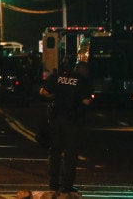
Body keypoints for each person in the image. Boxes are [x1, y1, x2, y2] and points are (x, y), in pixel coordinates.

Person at [39, 62, 92, 195]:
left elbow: (43, 91)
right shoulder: (81, 81)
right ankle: (66, 185)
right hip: (72, 120)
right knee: (71, 154)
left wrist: (54, 97)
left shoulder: (58, 77)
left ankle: (53, 183)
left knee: (55, 151)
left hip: (55, 118)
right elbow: (86, 101)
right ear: (83, 71)